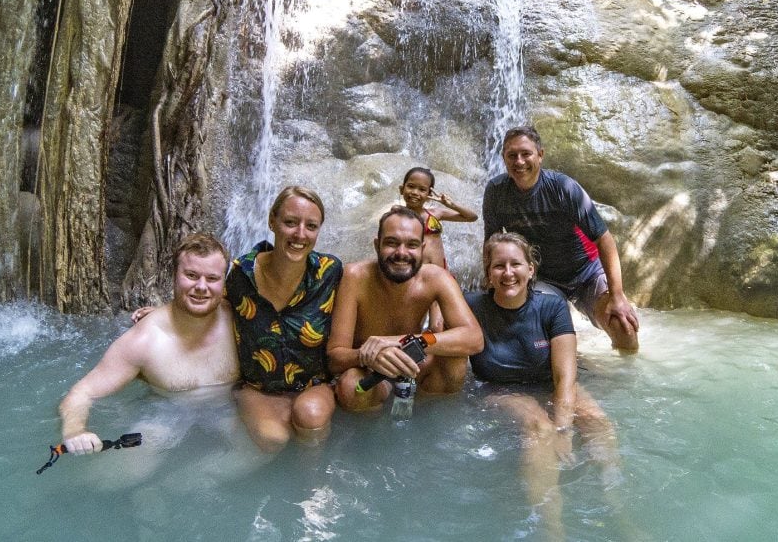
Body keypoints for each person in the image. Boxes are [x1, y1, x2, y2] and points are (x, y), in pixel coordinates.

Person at [468, 232, 619, 540]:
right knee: (539, 427)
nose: (508, 273)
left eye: (516, 264)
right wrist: (555, 431)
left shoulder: (552, 307)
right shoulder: (471, 306)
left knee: (596, 420)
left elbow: (565, 378)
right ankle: (554, 530)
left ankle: (618, 508)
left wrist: (565, 429)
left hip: (548, 383)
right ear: (488, 272)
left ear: (531, 269)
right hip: (498, 390)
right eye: (499, 266)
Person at [58, 233, 239, 455]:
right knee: (119, 475)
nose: (202, 287)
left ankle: (180, 484)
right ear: (174, 276)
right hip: (165, 415)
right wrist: (75, 432)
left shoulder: (240, 319)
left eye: (212, 278)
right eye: (191, 275)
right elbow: (81, 393)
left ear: (224, 282)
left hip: (227, 410)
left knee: (263, 445)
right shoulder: (144, 340)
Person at [482, 126, 639, 352]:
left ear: (540, 155)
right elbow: (492, 242)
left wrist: (617, 295)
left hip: (586, 273)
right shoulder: (496, 191)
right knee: (537, 342)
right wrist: (489, 281)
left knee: (624, 329)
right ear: (504, 159)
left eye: (526, 154)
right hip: (541, 278)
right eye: (512, 155)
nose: (519, 161)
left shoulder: (562, 187)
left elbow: (604, 239)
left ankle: (627, 381)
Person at [328, 206, 483, 412]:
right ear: (377, 245)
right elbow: (334, 358)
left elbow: (474, 339)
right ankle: (375, 435)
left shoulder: (437, 277)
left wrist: (399, 343)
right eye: (392, 243)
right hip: (370, 373)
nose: (401, 253)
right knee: (350, 387)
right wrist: (368, 356)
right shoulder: (355, 276)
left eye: (412, 245)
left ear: (422, 248)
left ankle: (431, 424)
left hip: (415, 368)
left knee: (455, 358)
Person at [226, 186, 343, 452]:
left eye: (311, 226)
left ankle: (312, 486)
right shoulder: (241, 273)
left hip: (313, 386)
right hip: (258, 388)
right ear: (272, 221)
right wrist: (166, 313)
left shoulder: (329, 273)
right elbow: (211, 305)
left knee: (311, 418)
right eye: (290, 222)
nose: (300, 234)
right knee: (271, 439)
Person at [398, 166, 478, 330]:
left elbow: (471, 217)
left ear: (429, 195)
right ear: (402, 188)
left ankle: (433, 354)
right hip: (413, 277)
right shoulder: (397, 214)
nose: (415, 192)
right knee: (412, 325)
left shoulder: (436, 213)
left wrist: (450, 204)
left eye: (422, 189)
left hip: (439, 276)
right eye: (411, 186)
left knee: (437, 325)